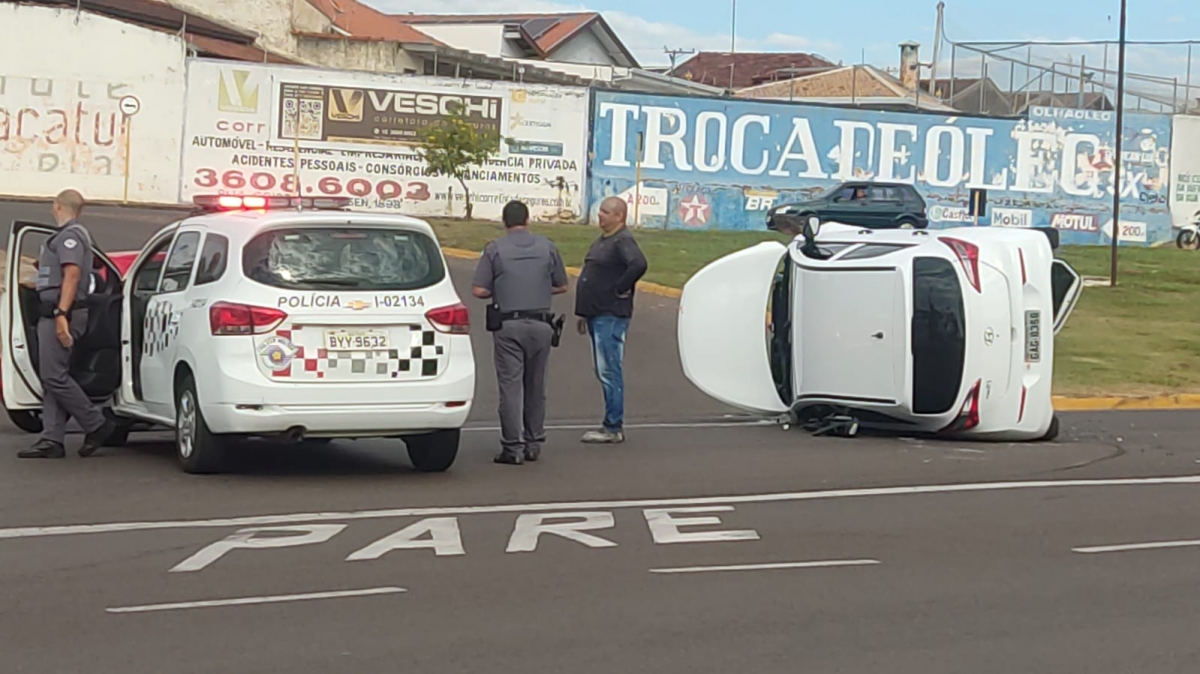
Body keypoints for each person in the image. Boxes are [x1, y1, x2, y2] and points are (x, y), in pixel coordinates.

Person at [18, 189, 115, 459]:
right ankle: (52, 438)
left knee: (53, 376)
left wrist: (61, 314)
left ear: (57, 206)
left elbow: (71, 275)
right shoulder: (73, 236)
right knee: (54, 375)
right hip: (59, 311)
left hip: (61, 313)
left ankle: (96, 424)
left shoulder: (70, 236)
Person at [472, 200, 569, 466]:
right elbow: (561, 285)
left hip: (508, 325)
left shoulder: (494, 249)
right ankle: (534, 442)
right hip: (541, 324)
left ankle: (512, 447)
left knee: (511, 387)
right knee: (536, 386)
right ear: (528, 220)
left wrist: (503, 289)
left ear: (504, 222)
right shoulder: (548, 247)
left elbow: (478, 290)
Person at [574, 196, 648, 445]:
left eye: (606, 212)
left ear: (620, 216)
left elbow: (638, 264)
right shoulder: (604, 241)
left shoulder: (623, 241)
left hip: (610, 315)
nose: (601, 215)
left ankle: (613, 426)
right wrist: (584, 311)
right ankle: (610, 423)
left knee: (609, 370)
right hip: (597, 313)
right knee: (603, 369)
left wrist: (620, 288)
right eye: (601, 211)